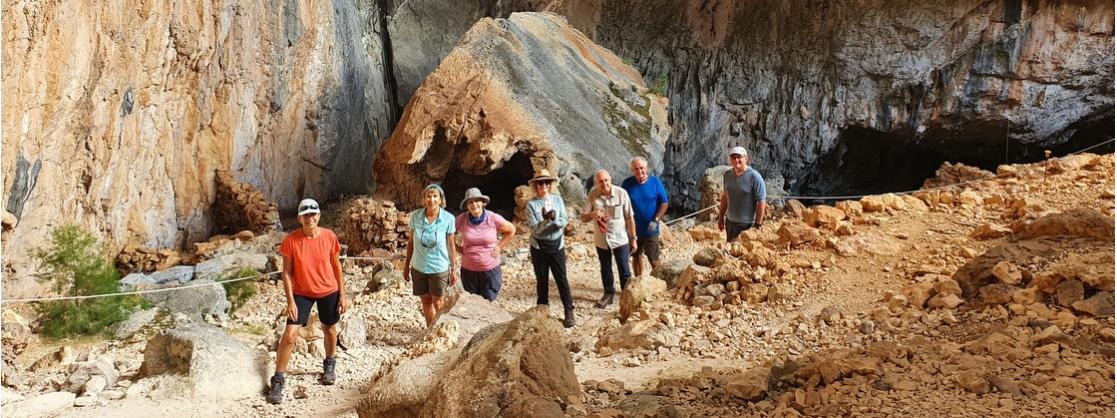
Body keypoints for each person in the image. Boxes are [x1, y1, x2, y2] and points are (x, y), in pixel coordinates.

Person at [268, 198, 347, 404]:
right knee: (289, 335)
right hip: (302, 292)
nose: (310, 217)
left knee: (329, 329)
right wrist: (290, 301)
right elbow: (286, 273)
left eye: (313, 213)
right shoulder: (291, 241)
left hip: (329, 289)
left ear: (318, 216)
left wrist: (342, 294)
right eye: (306, 214)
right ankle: (278, 379)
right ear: (300, 218)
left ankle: (329, 363)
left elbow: (337, 267)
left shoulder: (329, 237)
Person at [525, 169, 576, 328]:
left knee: (561, 278)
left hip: (556, 244)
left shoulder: (557, 200)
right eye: (540, 183)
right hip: (539, 246)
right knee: (542, 279)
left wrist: (553, 220)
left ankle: (569, 310)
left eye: (547, 182)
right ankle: (543, 310)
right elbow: (534, 229)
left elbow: (564, 219)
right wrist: (547, 221)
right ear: (535, 185)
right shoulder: (531, 205)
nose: (544, 186)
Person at [403, 184, 458, 327]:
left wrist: (454, 269)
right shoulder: (416, 216)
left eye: (435, 196)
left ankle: (442, 332)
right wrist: (406, 266)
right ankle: (430, 331)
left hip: (439, 267)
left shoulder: (448, 219)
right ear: (424, 199)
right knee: (426, 300)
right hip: (419, 266)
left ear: (441, 200)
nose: (431, 199)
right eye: (428, 196)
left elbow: (451, 245)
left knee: (438, 302)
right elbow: (411, 243)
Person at [582, 169, 637, 309]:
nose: (604, 183)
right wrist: (592, 214)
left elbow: (630, 217)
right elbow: (583, 217)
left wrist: (633, 238)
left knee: (624, 269)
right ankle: (608, 294)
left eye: (606, 180)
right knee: (605, 268)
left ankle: (627, 296)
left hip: (620, 238)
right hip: (602, 239)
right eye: (601, 181)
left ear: (610, 179)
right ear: (596, 183)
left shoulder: (621, 193)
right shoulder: (592, 195)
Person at [455, 187, 516, 301]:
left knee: (489, 302)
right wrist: (457, 248)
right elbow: (446, 234)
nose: (474, 204)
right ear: (467, 206)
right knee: (472, 304)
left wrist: (499, 246)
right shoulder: (461, 219)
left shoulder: (492, 218)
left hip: (490, 270)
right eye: (470, 202)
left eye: (477, 200)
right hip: (469, 270)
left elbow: (511, 230)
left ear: (483, 203)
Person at [621, 157, 669, 278]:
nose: (639, 171)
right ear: (632, 170)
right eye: (636, 169)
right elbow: (621, 203)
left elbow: (664, 203)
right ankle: (639, 281)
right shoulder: (627, 184)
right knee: (636, 256)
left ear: (646, 168)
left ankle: (660, 282)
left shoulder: (655, 182)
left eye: (641, 168)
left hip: (651, 228)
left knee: (653, 258)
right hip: (633, 229)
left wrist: (656, 219)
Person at [718, 146, 767, 242]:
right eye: (733, 157)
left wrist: (758, 224)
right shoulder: (727, 175)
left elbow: (761, 201)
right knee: (730, 250)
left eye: (739, 157)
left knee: (742, 253)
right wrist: (721, 218)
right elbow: (725, 196)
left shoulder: (754, 176)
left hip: (746, 225)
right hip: (730, 222)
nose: (736, 160)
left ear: (746, 158)